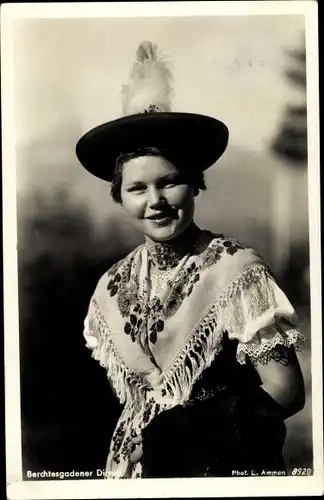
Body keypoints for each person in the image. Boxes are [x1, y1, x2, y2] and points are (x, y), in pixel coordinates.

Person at [76, 41, 305, 479]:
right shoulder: (111, 285)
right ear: (119, 196)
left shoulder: (236, 271)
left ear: (195, 184)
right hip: (130, 470)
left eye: (170, 182)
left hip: (216, 464)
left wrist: (184, 432)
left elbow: (287, 391)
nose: (156, 201)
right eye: (138, 188)